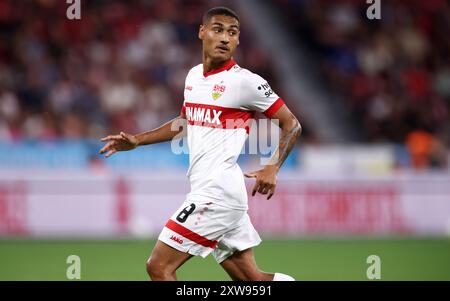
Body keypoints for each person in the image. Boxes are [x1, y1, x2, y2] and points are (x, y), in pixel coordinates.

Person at [99, 6, 301, 281]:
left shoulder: (246, 83)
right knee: (252, 280)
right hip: (221, 193)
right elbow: (185, 122)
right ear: (202, 32)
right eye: (218, 30)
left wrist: (272, 167)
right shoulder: (194, 76)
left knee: (158, 267)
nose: (225, 38)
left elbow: (292, 124)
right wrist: (137, 140)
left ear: (238, 40)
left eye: (232, 33)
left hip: (216, 195)